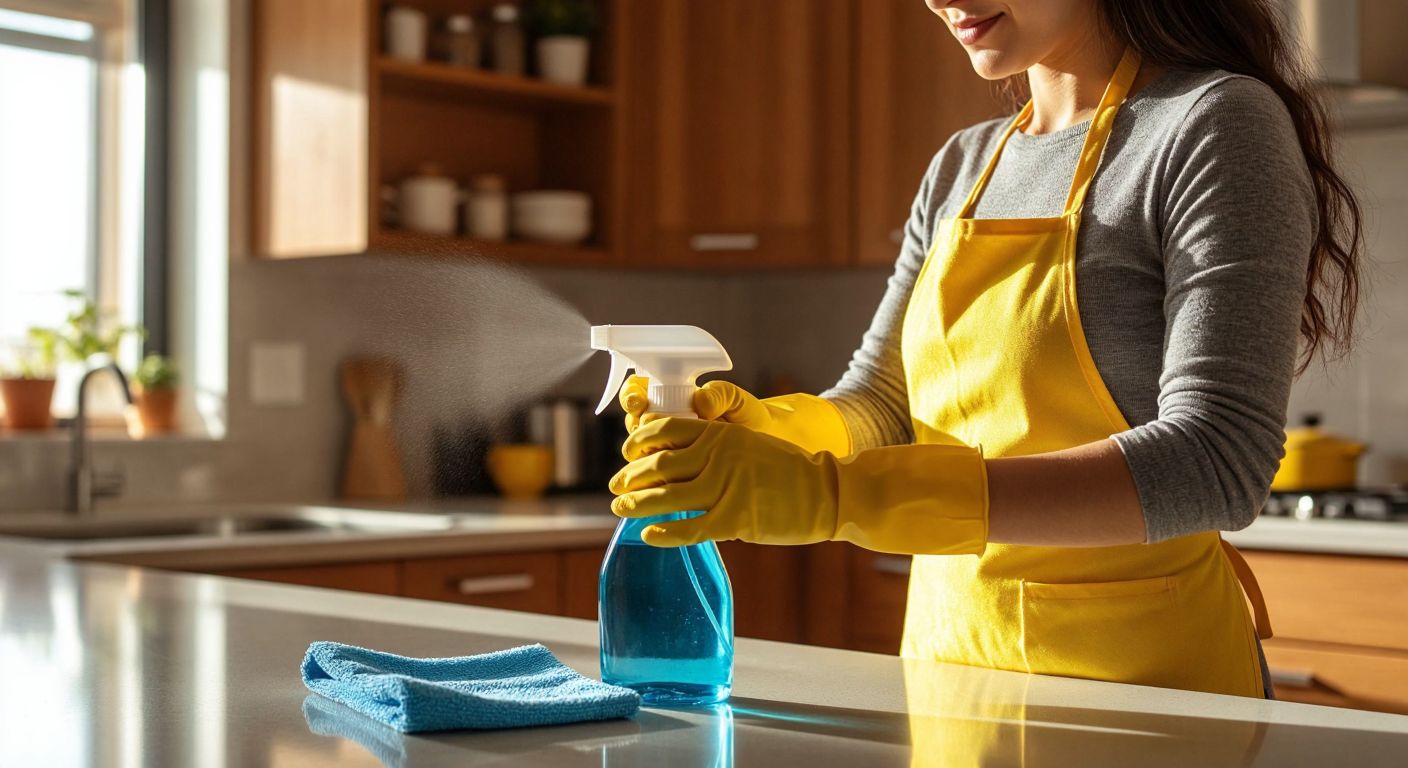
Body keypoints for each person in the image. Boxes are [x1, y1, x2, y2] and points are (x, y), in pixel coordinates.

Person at [609, 0, 1362, 698]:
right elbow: (883, 404)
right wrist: (769, 434)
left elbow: (1218, 464)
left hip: (1147, 694)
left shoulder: (1213, 123)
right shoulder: (965, 165)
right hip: (954, 681)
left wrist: (840, 496)